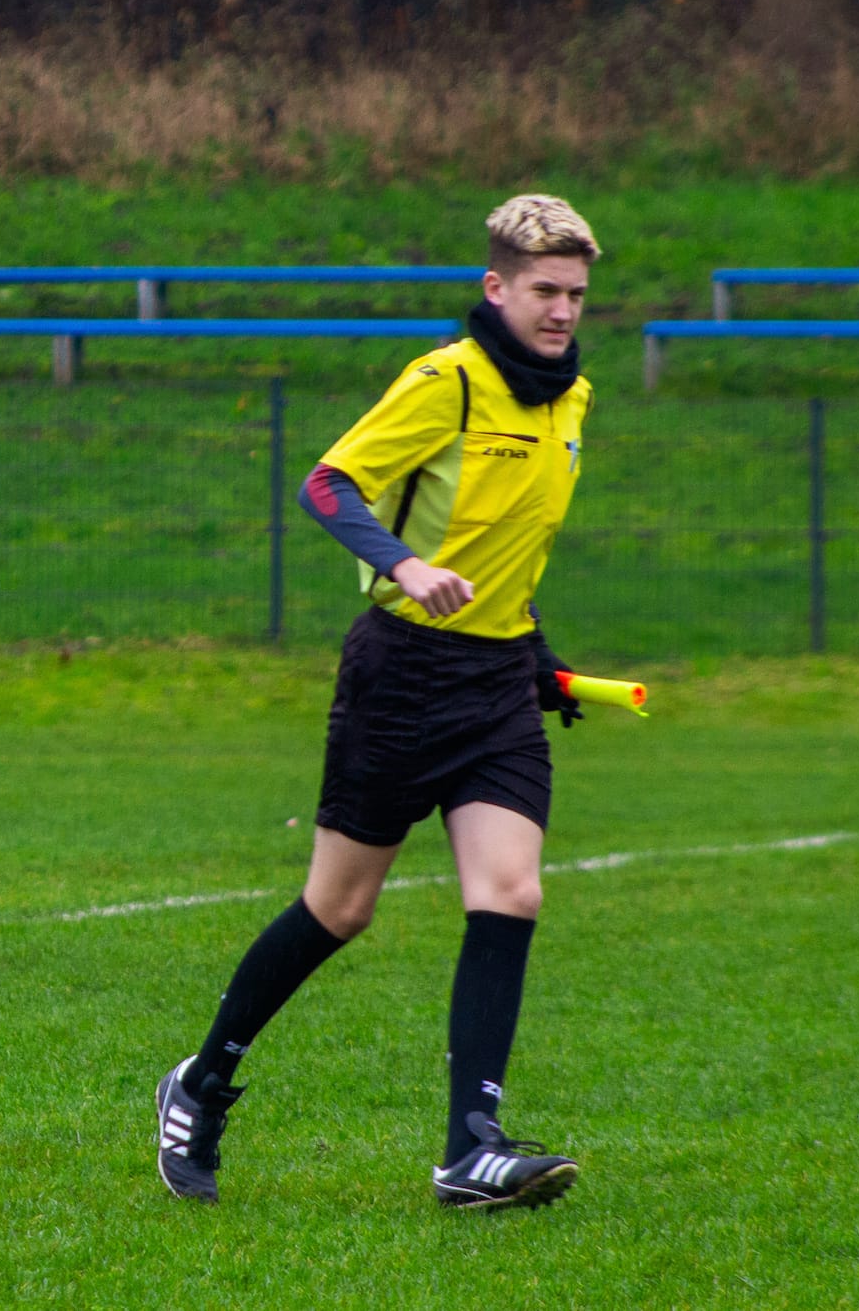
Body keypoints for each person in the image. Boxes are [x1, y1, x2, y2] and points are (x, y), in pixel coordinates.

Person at [154, 194, 604, 1211]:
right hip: (398, 678)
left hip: (494, 688)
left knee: (510, 892)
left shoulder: (571, 399)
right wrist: (403, 566)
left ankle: (470, 1148)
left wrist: (535, 654)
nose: (562, 311)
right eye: (544, 291)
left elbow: (510, 546)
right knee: (339, 907)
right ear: (496, 287)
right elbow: (326, 486)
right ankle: (200, 1082)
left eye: (576, 294)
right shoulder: (443, 382)